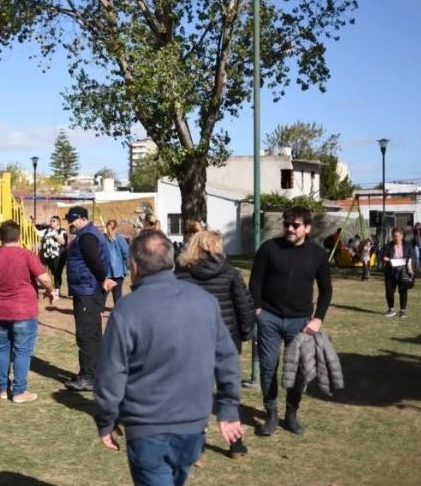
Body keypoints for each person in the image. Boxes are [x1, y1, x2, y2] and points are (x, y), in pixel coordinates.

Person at [94, 229, 243, 485]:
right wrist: (228, 407)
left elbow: (111, 373)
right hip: (192, 427)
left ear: (134, 266)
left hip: (150, 429)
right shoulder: (205, 301)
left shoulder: (127, 310)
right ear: (171, 262)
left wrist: (106, 419)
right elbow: (228, 359)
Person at [249, 206, 332, 436]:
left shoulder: (317, 255)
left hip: (301, 322)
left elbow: (326, 290)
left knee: (299, 371)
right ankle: (271, 412)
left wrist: (318, 319)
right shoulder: (269, 248)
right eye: (287, 224)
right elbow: (255, 282)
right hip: (269, 319)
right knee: (268, 367)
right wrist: (258, 310)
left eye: (295, 225)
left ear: (307, 228)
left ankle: (291, 412)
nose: (290, 229)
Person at [176, 229, 255, 458]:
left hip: (192, 342)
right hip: (225, 340)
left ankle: (197, 442)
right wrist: (246, 332)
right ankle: (235, 443)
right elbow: (244, 306)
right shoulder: (230, 272)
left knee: (196, 394)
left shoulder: (180, 273)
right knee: (228, 391)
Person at [0, 220, 55, 403]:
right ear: (18, 236)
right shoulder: (27, 255)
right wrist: (50, 290)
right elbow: (44, 279)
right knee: (22, 351)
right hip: (24, 311)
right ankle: (19, 392)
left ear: (1, 237)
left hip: (0, 311)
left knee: (2, 348)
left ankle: (3, 389)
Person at [63, 206, 115, 392]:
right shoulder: (89, 234)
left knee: (86, 334)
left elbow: (95, 261)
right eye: (69, 220)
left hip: (87, 290)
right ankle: (93, 373)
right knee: (92, 333)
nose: (70, 223)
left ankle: (88, 376)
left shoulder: (87, 237)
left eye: (73, 220)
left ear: (83, 219)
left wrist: (103, 279)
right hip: (88, 289)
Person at [382, 226, 414, 319]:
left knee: (403, 291)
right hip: (390, 271)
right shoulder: (388, 245)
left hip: (403, 271)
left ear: (402, 236)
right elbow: (383, 256)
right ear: (392, 236)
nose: (397, 238)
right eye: (395, 236)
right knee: (389, 291)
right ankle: (391, 309)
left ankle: (402, 311)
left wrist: (409, 260)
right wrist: (385, 258)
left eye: (398, 236)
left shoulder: (408, 245)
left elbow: (412, 256)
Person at [103, 219, 129, 313]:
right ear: (116, 228)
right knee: (117, 293)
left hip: (106, 271)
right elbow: (126, 253)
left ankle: (99, 311)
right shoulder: (120, 239)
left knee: (103, 292)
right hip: (119, 271)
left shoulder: (103, 239)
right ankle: (118, 312)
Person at [39, 215, 68, 298]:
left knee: (57, 272)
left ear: (58, 222)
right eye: (51, 221)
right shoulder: (47, 231)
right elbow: (39, 234)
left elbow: (64, 242)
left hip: (59, 255)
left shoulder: (62, 231)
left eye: (53, 221)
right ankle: (55, 289)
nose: (51, 222)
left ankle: (57, 290)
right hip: (49, 255)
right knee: (54, 273)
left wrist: (56, 236)